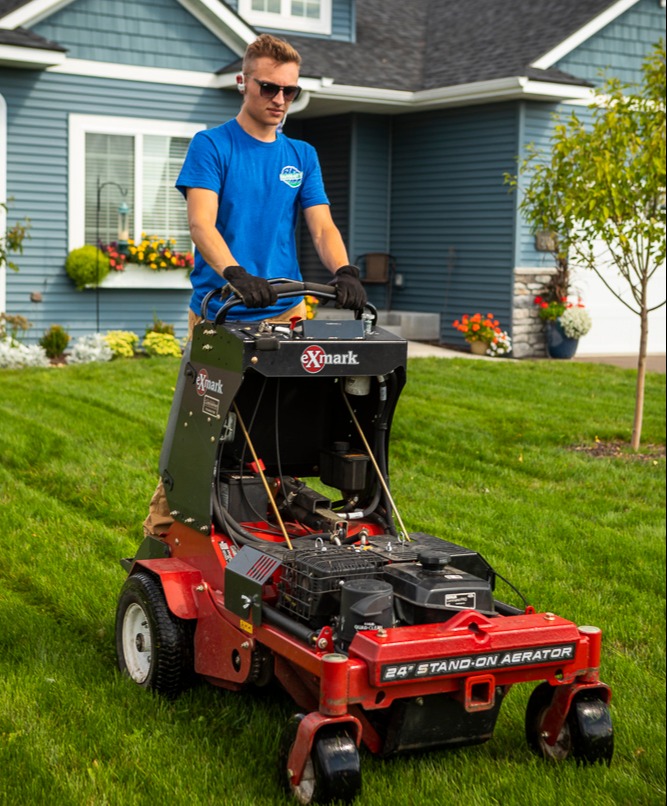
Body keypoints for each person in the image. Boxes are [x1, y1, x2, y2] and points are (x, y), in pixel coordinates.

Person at [143, 33, 366, 538]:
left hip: (286, 315)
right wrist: (235, 274)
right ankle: (159, 543)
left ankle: (266, 537)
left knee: (280, 436)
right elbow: (202, 223)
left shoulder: (301, 154)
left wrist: (345, 271)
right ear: (244, 82)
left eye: (290, 91)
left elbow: (322, 225)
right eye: (269, 87)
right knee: (203, 436)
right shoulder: (212, 145)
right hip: (221, 313)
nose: (279, 100)